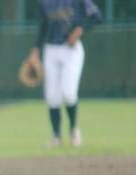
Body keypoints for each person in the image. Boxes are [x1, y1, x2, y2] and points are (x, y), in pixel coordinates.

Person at [25, 0, 102, 148]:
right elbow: (43, 27)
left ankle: (73, 129)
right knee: (52, 96)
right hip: (51, 49)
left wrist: (79, 30)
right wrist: (35, 50)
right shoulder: (45, 3)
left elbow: (96, 16)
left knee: (68, 93)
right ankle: (56, 136)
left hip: (71, 50)